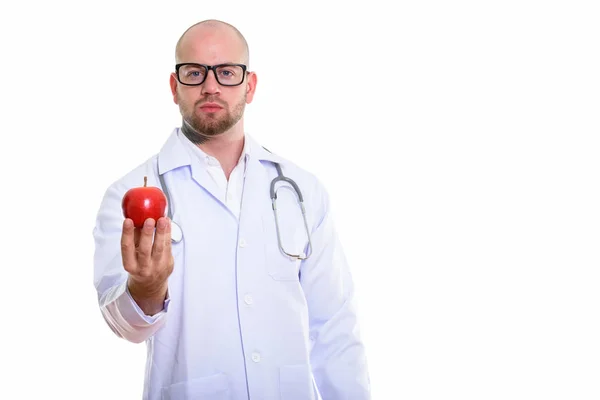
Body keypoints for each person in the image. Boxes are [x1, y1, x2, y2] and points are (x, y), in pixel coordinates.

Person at [92, 19, 371, 400]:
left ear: (250, 86)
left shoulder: (301, 190)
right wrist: (147, 288)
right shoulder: (128, 193)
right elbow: (124, 326)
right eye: (194, 73)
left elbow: (334, 326)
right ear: (175, 88)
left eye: (226, 72)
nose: (210, 86)